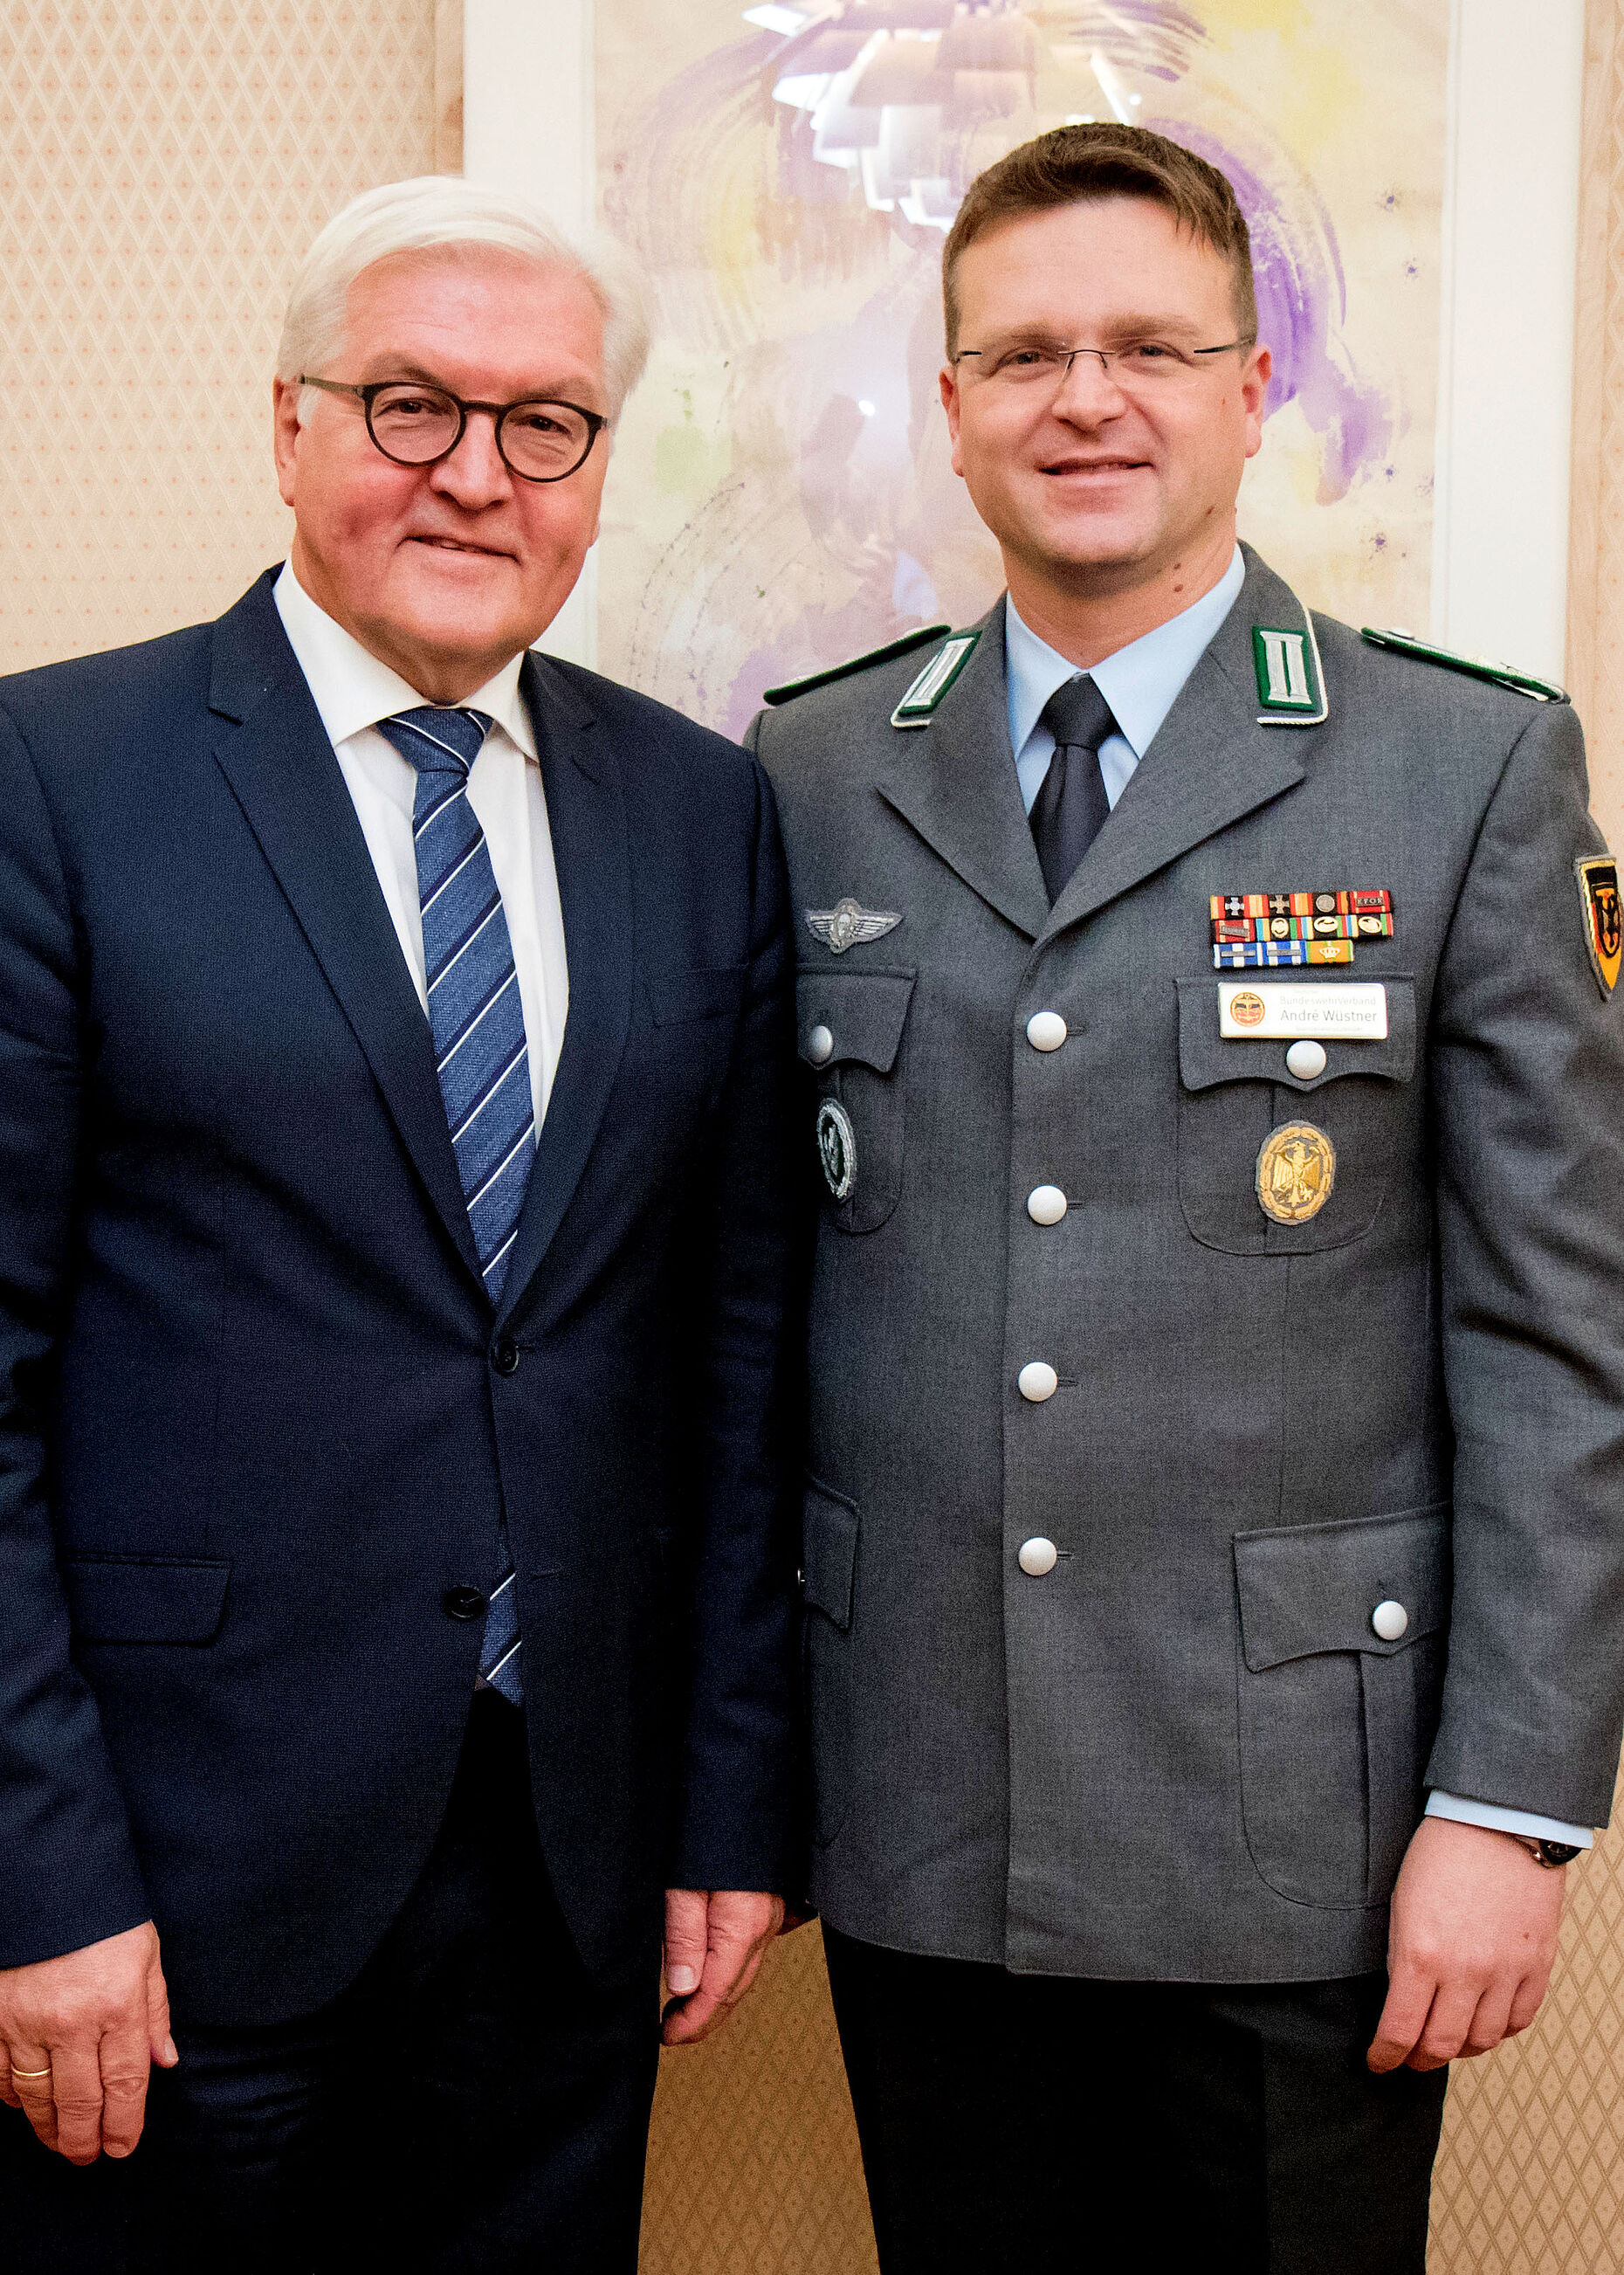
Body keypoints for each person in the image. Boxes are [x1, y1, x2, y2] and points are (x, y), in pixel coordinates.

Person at [751, 124, 1624, 2273]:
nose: (1088, 398)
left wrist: (1510, 1806)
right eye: (1028, 353)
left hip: (1294, 1837)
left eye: (1152, 344)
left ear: (1253, 389)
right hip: (921, 1810)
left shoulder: (1464, 769)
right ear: (952, 414)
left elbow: (1558, 1334)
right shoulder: (807, 768)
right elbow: (752, 1298)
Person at [0, 176, 801, 2272]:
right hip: (176, 1884)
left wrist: (725, 1813)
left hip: (568, 1876)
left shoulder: (700, 812)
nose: (476, 471)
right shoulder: (57, 775)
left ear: (600, 471)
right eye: (409, 404)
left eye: (545, 422)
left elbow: (726, 1355)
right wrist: (40, 1878)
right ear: (289, 426)